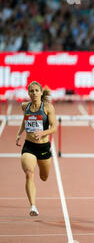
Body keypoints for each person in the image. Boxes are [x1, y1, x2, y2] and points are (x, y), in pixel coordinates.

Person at [15, 81, 57, 216]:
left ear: (40, 93)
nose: (34, 93)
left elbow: (54, 127)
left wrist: (42, 133)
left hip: (43, 147)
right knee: (29, 173)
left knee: (44, 177)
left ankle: (42, 172)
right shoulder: (25, 106)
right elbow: (25, 120)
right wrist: (19, 133)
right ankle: (33, 206)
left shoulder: (48, 108)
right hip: (29, 146)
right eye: (31, 91)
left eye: (36, 91)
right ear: (28, 93)